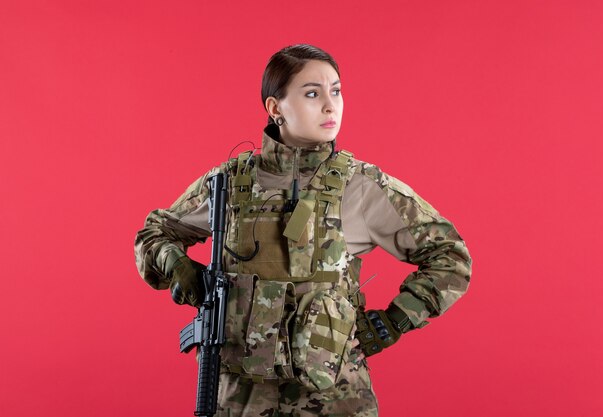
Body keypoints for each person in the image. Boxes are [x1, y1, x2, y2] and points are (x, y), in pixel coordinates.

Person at [134, 44, 472, 417]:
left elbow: (450, 257)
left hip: (333, 401)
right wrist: (176, 264)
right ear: (275, 108)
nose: (331, 105)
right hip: (238, 400)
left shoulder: (359, 186)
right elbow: (154, 234)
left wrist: (392, 323)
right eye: (313, 93)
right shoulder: (228, 184)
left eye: (336, 90)